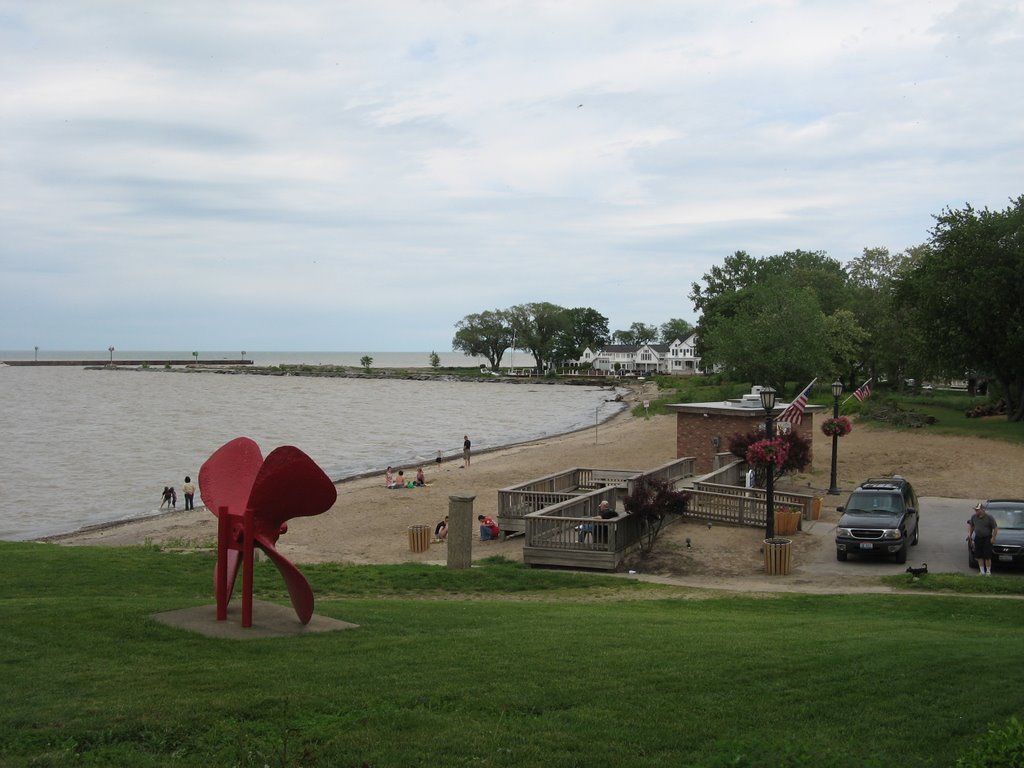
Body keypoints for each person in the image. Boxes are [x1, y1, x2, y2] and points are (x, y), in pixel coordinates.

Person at [968, 502, 999, 575]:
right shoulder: (973, 517)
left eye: (978, 510)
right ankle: (982, 571)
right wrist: (970, 535)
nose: (976, 511)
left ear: (982, 510)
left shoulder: (989, 517)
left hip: (987, 538)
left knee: (987, 556)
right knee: (979, 555)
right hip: (978, 538)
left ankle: (988, 571)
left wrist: (993, 538)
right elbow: (972, 526)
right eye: (976, 510)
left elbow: (995, 528)